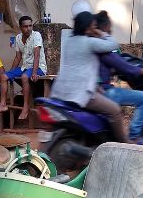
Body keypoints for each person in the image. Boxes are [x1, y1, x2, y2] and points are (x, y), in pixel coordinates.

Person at [50, 11, 128, 143]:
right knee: (115, 110)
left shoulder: (69, 41)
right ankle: (124, 145)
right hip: (80, 94)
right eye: (93, 26)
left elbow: (80, 67)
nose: (95, 28)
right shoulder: (89, 42)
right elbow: (113, 44)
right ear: (86, 28)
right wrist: (100, 33)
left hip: (61, 91)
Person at [93, 11, 143, 145]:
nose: (111, 30)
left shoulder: (88, 45)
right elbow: (126, 67)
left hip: (90, 90)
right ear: (104, 28)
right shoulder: (104, 48)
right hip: (104, 91)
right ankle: (134, 136)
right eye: (109, 26)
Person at [7, 15, 47, 120]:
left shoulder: (36, 35)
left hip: (38, 67)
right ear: (20, 27)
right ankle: (2, 104)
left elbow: (37, 55)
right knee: (4, 77)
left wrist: (34, 73)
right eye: (26, 26)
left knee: (25, 77)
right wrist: (11, 73)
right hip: (25, 67)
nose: (28, 28)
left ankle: (25, 107)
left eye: (30, 26)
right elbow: (17, 57)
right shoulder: (18, 37)